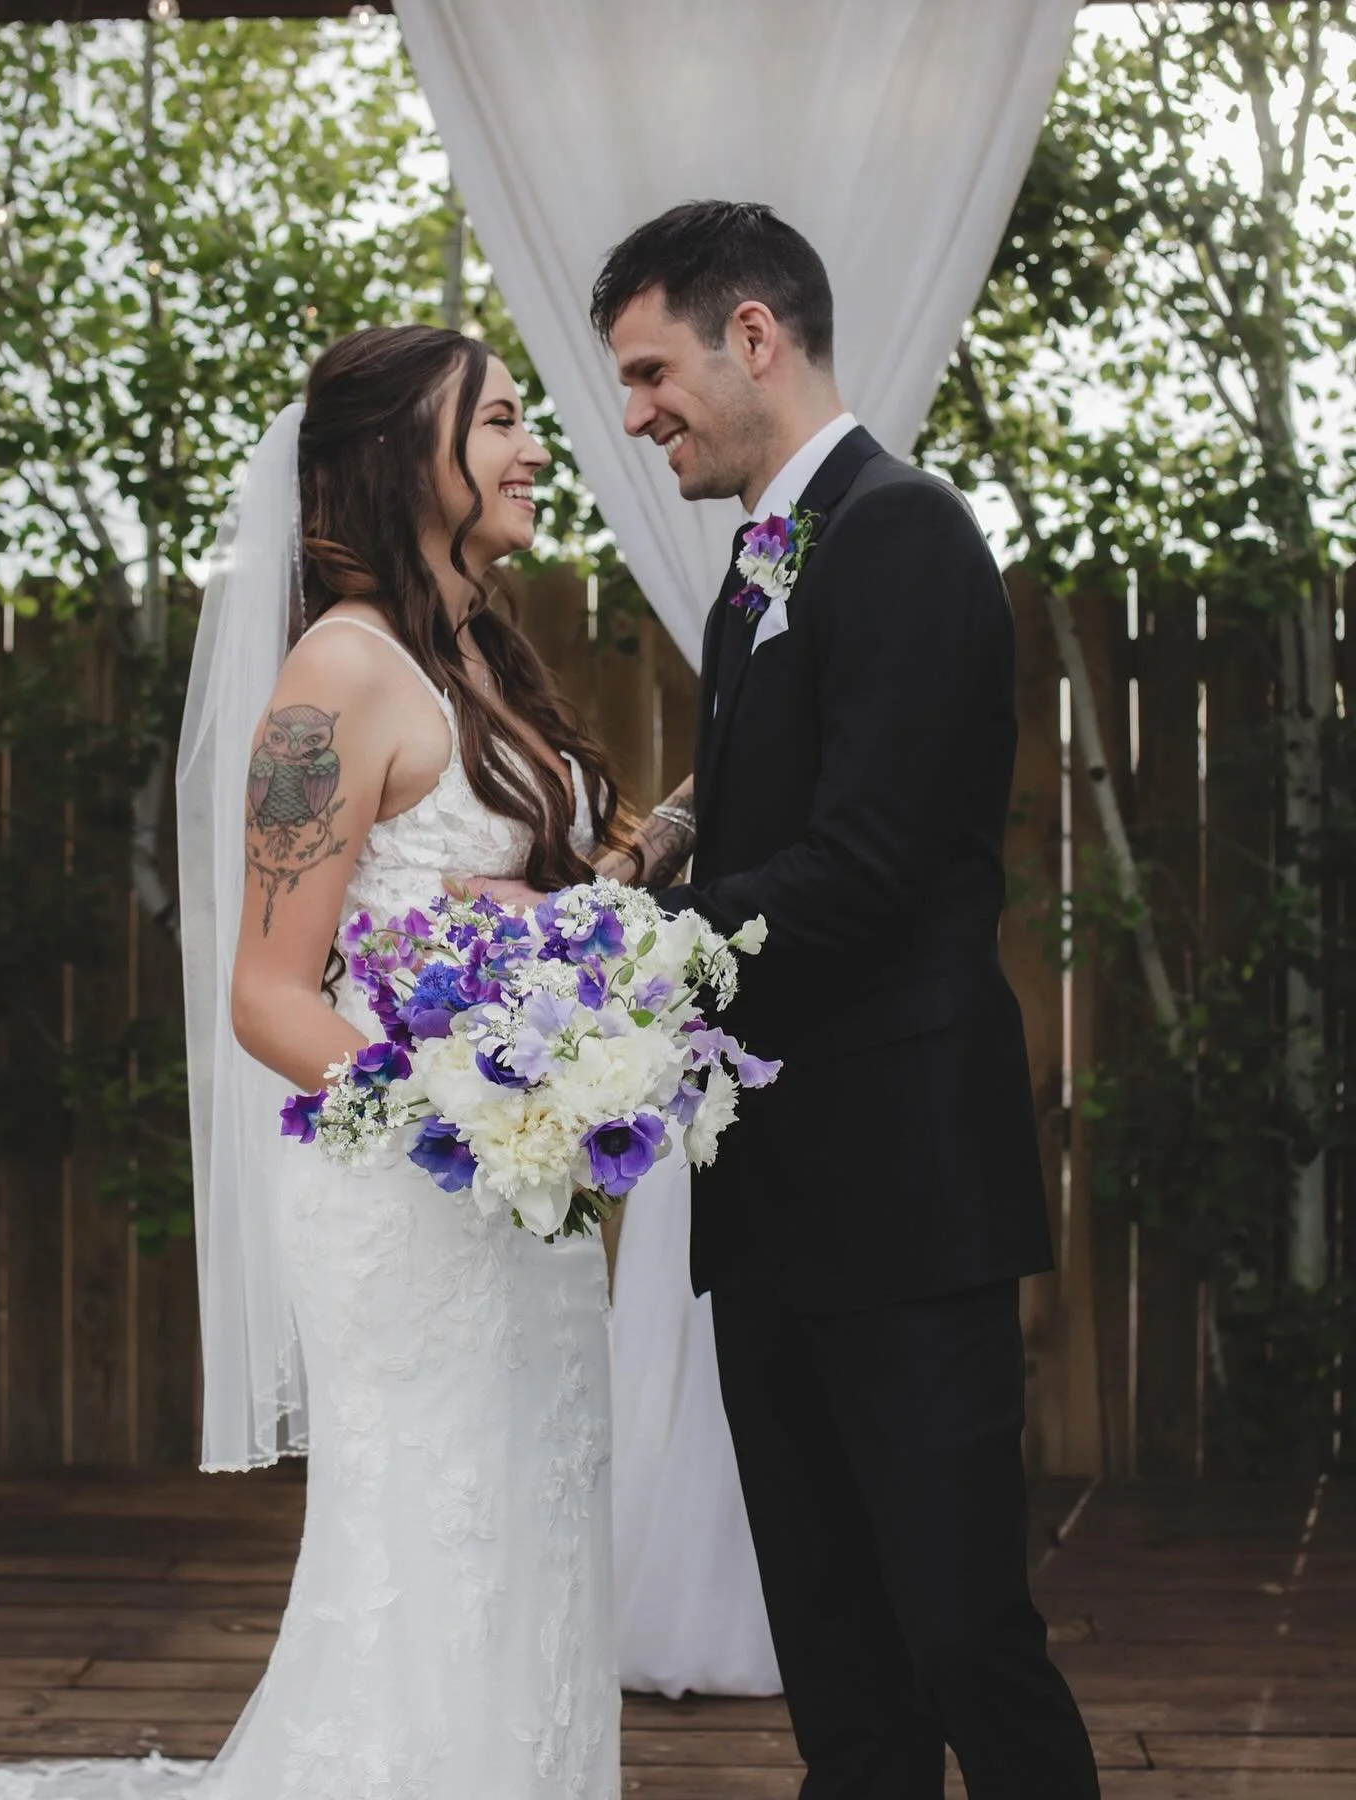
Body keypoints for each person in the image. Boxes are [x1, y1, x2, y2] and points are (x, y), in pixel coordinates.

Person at [588, 201, 1101, 1800]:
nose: (636, 412)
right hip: (782, 1198)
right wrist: (667, 834)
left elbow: (869, 866)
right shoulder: (774, 549)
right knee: (842, 1671)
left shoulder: (903, 531)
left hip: (900, 1194)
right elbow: (787, 789)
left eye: (652, 368)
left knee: (961, 1638)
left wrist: (618, 955)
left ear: (756, 337)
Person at [174, 323, 688, 1800]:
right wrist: (471, 1114)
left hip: (515, 1197)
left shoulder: (473, 650)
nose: (537, 452)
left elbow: (537, 894)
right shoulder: (336, 674)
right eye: (503, 423)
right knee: (432, 1550)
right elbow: (271, 994)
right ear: (412, 455)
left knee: (538, 1530)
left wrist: (622, 904)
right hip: (414, 1197)